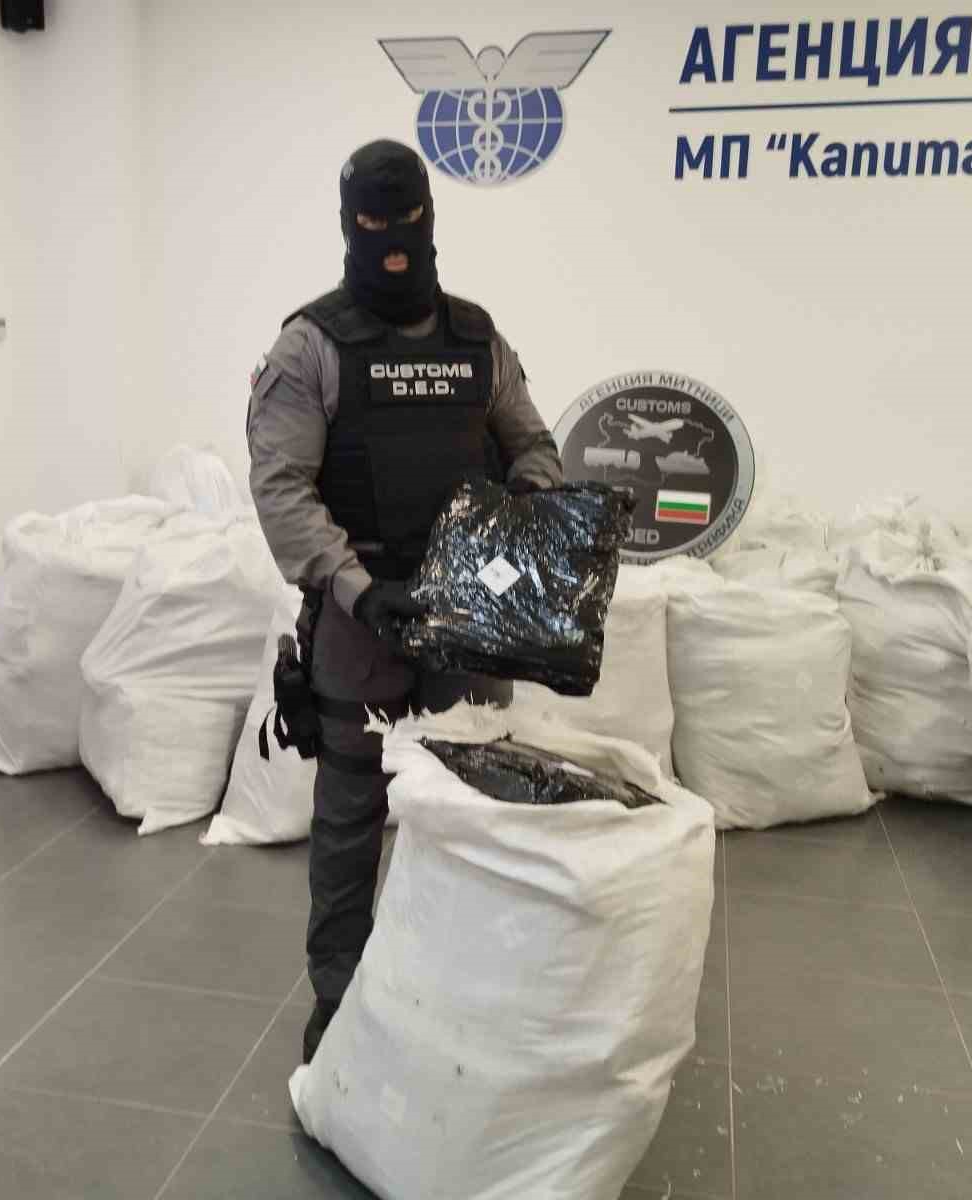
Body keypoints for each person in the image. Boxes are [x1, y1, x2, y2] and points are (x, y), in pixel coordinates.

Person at [246, 138, 563, 1062]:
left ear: (431, 216)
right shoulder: (312, 346)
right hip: (362, 620)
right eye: (375, 225)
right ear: (349, 226)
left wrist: (520, 516)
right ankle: (339, 1009)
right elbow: (281, 488)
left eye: (407, 223)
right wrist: (355, 589)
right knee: (352, 815)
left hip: (471, 612)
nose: (393, 245)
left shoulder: (477, 338)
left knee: (474, 810)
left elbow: (534, 445)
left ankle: (462, 1004)